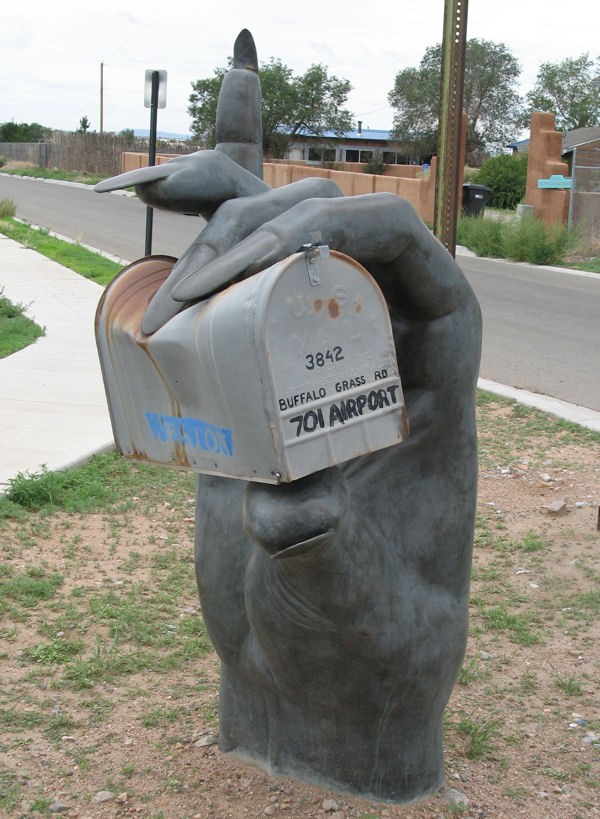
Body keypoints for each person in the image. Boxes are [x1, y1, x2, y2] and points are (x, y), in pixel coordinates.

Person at [95, 29, 482, 804]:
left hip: (376, 724)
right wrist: (225, 341)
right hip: (254, 703)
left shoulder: (417, 385)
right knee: (239, 381)